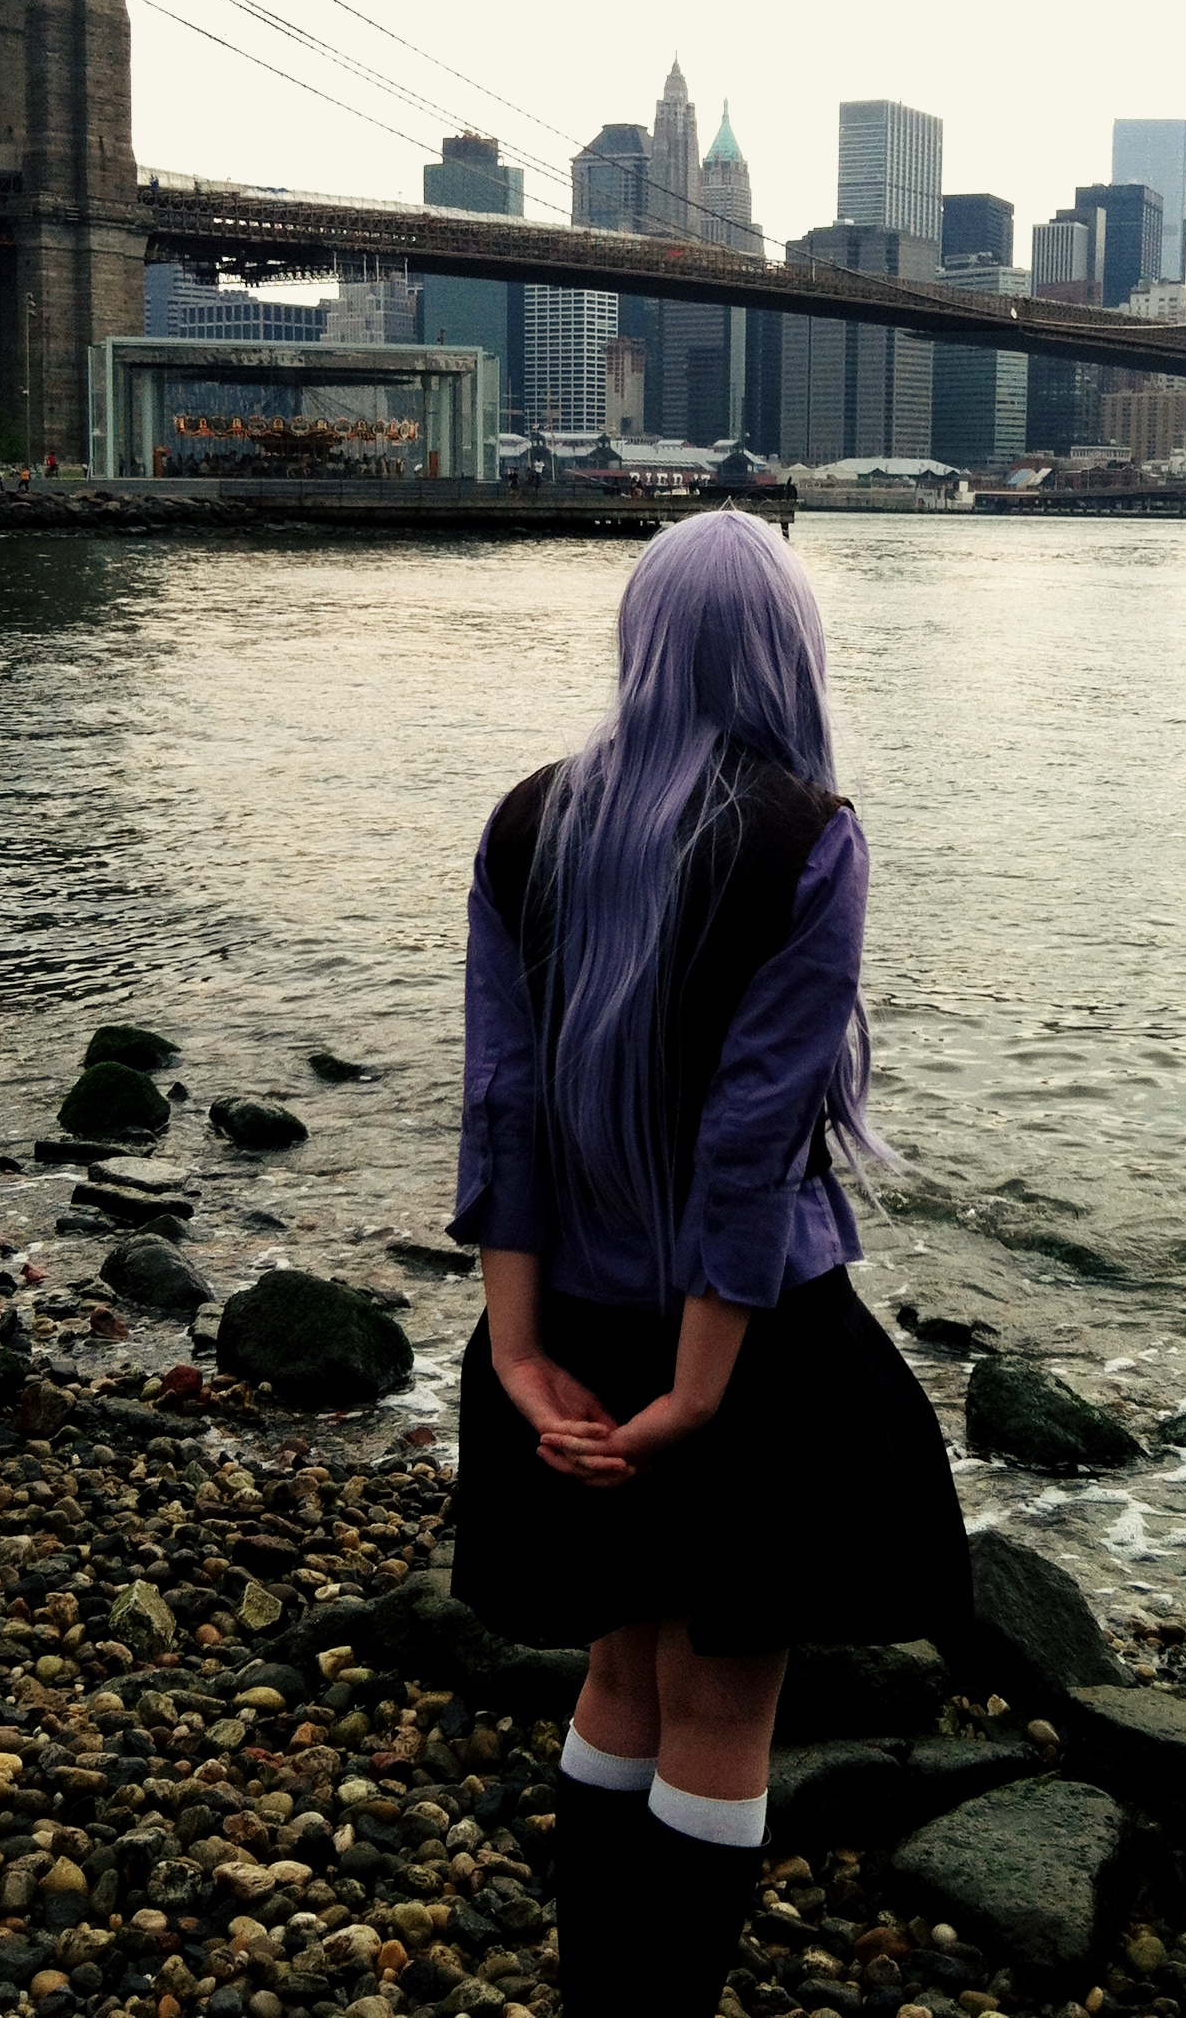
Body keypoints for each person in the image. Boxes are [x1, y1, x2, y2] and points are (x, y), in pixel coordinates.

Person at [451, 508, 969, 2018]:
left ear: (642, 642)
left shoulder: (527, 822)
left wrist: (517, 1353)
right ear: (788, 652)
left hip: (572, 1329)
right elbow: (751, 1145)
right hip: (745, 1348)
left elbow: (501, 1100)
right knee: (724, 1712)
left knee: (619, 1677)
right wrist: (693, 1396)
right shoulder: (810, 836)